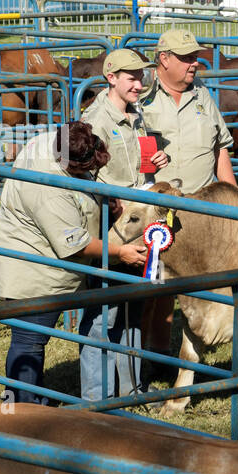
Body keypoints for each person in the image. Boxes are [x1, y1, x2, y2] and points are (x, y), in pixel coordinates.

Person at [0, 122, 148, 404]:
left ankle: (30, 404)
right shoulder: (47, 185)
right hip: (32, 273)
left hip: (45, 265)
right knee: (29, 342)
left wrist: (102, 196)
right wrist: (121, 252)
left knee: (32, 342)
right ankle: (19, 411)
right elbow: (76, 244)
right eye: (82, 170)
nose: (88, 174)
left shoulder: (56, 140)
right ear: (69, 164)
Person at [77, 49, 168, 402]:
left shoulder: (136, 114)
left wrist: (159, 159)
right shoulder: (95, 120)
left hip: (135, 225)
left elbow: (139, 164)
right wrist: (107, 198)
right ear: (110, 78)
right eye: (131, 77)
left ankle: (130, 388)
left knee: (131, 309)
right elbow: (82, 170)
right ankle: (97, 398)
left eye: (141, 76)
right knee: (103, 312)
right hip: (108, 228)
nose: (138, 83)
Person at [139, 28, 236, 353]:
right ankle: (156, 355)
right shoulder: (142, 100)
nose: (194, 63)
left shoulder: (203, 96)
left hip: (203, 207)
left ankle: (198, 348)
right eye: (186, 58)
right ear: (163, 60)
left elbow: (221, 147)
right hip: (158, 210)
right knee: (158, 286)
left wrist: (232, 199)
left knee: (209, 280)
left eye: (196, 56)